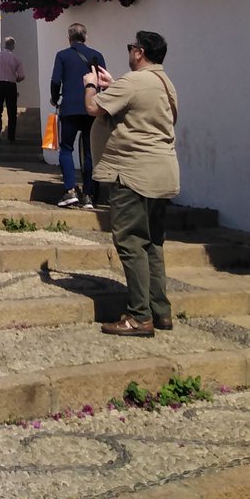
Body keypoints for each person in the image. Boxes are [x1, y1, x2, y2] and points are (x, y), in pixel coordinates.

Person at [83, 30, 179, 338]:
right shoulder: (164, 83)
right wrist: (115, 86)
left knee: (130, 243)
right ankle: (160, 311)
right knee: (153, 244)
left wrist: (90, 86)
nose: (129, 52)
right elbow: (141, 106)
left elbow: (94, 107)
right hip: (162, 172)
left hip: (133, 173)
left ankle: (139, 316)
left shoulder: (133, 81)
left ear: (139, 52)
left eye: (130, 47)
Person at [50, 23, 106, 209]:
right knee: (90, 151)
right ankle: (89, 194)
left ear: (69, 38)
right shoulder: (96, 56)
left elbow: (56, 80)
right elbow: (103, 83)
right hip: (92, 108)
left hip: (70, 108)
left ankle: (70, 191)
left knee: (66, 148)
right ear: (86, 37)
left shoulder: (62, 55)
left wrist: (54, 97)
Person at [0, 37, 24, 143]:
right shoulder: (16, 59)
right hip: (10, 85)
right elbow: (21, 76)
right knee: (12, 110)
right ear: (12, 46)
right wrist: (15, 78)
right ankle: (11, 136)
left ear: (4, 45)